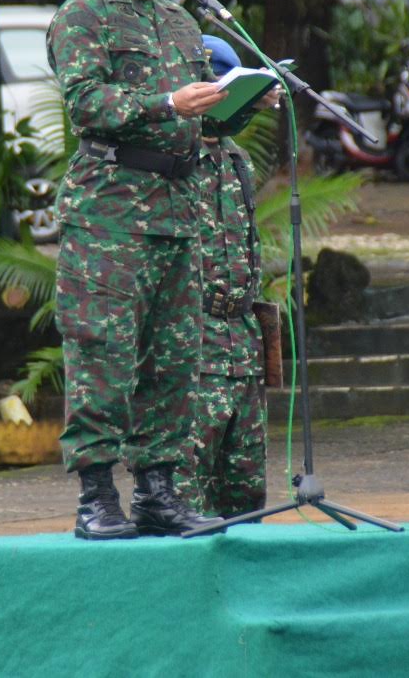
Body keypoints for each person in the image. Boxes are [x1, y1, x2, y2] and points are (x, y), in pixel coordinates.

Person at [47, 0, 226, 539]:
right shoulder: (83, 16)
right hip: (109, 216)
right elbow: (88, 102)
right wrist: (165, 103)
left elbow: (196, 107)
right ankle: (97, 497)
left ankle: (159, 492)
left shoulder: (181, 24)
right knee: (104, 354)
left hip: (178, 212)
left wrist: (229, 109)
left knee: (174, 358)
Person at [175, 35, 269, 519]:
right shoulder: (171, 161)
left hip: (242, 342)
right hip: (193, 346)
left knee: (247, 492)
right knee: (187, 495)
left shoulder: (237, 160)